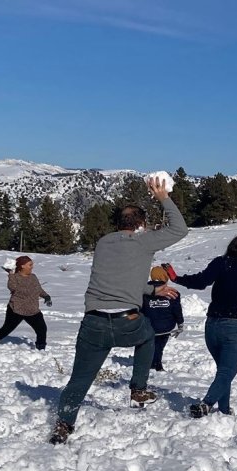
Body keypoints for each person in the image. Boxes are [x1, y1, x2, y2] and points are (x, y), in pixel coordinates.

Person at [48, 177, 188, 445]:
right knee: (149, 336)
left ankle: (64, 425)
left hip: (94, 323)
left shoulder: (102, 243)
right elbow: (180, 229)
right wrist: (163, 198)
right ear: (141, 225)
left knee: (79, 381)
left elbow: (119, 278)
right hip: (128, 323)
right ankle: (138, 389)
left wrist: (150, 290)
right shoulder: (142, 242)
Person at [163, 234, 237, 418]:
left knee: (224, 372)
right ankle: (206, 404)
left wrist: (176, 278)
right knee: (226, 372)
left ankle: (224, 410)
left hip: (212, 326)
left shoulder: (221, 262)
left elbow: (201, 282)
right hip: (236, 327)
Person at [0, 255, 51, 350]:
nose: (32, 266)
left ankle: (41, 348)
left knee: (42, 329)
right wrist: (11, 274)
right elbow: (12, 287)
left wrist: (46, 296)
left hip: (32, 310)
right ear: (22, 266)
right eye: (30, 265)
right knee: (6, 329)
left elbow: (39, 289)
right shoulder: (15, 277)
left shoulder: (33, 277)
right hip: (16, 310)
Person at [141, 265, 184, 371]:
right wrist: (180, 323)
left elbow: (140, 309)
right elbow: (177, 310)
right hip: (166, 326)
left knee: (151, 344)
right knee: (159, 345)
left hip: (149, 326)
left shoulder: (144, 291)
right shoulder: (173, 292)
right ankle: (156, 363)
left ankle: (151, 362)